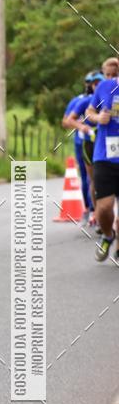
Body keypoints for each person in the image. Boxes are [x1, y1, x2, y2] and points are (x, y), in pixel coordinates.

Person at [85, 66, 119, 261]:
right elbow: (89, 112)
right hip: (105, 156)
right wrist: (98, 117)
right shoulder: (105, 87)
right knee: (104, 208)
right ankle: (108, 235)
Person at [62, 71, 102, 225]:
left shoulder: (109, 98)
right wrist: (81, 126)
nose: (92, 84)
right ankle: (91, 209)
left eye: (98, 81)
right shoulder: (80, 101)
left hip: (106, 144)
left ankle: (103, 212)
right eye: (90, 81)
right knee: (88, 177)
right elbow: (66, 121)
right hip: (84, 143)